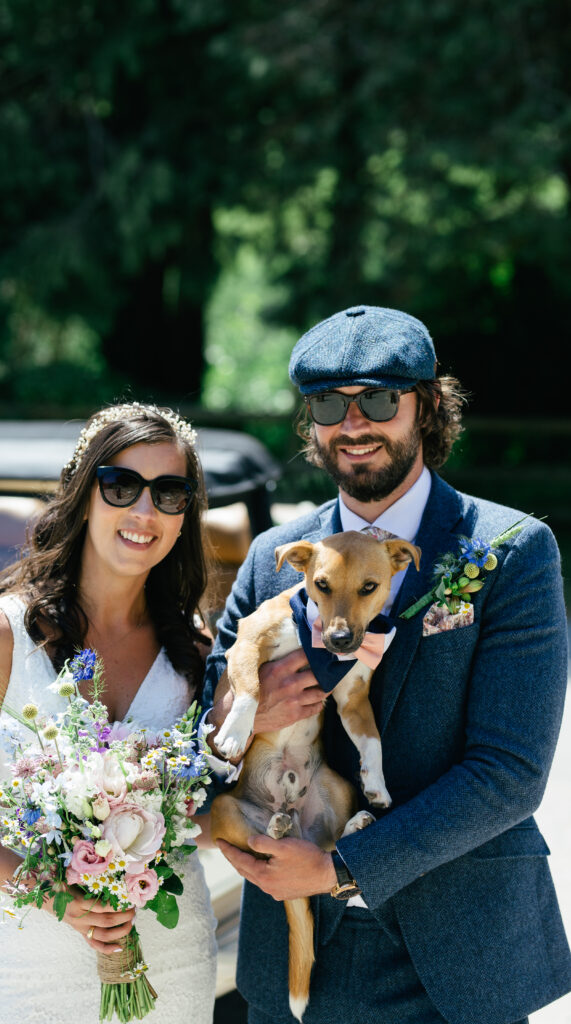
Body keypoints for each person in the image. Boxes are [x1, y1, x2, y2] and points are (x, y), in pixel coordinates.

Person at [203, 305, 571, 1024]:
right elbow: (202, 736)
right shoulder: (270, 555)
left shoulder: (509, 552)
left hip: (461, 957)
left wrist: (343, 867)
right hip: (293, 949)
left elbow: (509, 772)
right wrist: (252, 710)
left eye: (377, 400)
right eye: (327, 404)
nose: (352, 424)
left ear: (427, 406)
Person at [0, 402, 218, 1024]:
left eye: (169, 493)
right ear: (82, 496)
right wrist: (55, 895)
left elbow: (209, 809)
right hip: (27, 972)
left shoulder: (194, 649)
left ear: (186, 516)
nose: (143, 511)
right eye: (121, 486)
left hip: (171, 962)